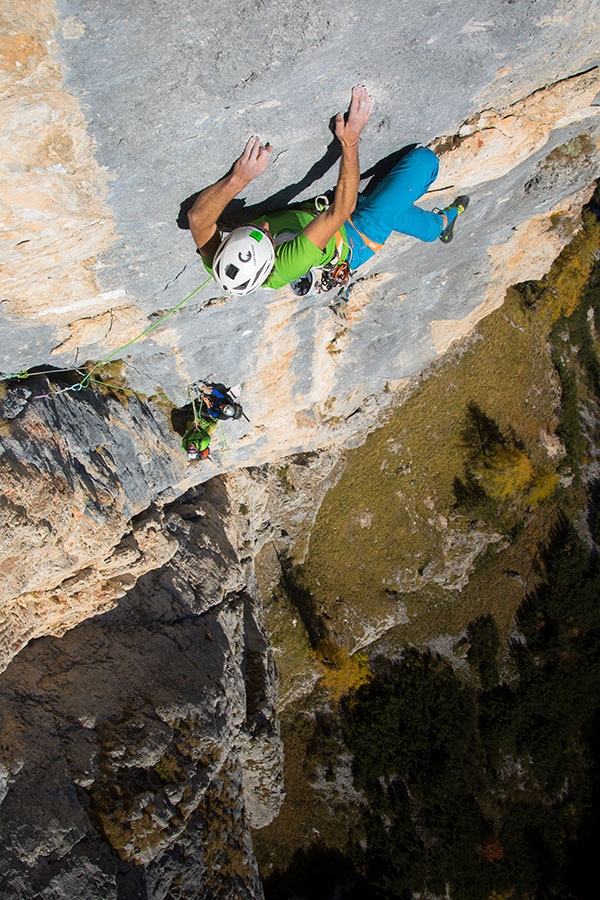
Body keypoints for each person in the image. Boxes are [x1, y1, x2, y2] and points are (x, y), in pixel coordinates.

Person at [187, 85, 469, 295]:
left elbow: (198, 219)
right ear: (272, 257)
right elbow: (340, 211)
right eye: (267, 234)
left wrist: (239, 178)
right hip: (358, 236)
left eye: (251, 229)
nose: (263, 223)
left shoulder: (225, 262)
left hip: (337, 213)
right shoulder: (290, 262)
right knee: (424, 162)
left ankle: (437, 227)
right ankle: (437, 225)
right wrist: (350, 141)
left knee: (384, 205)